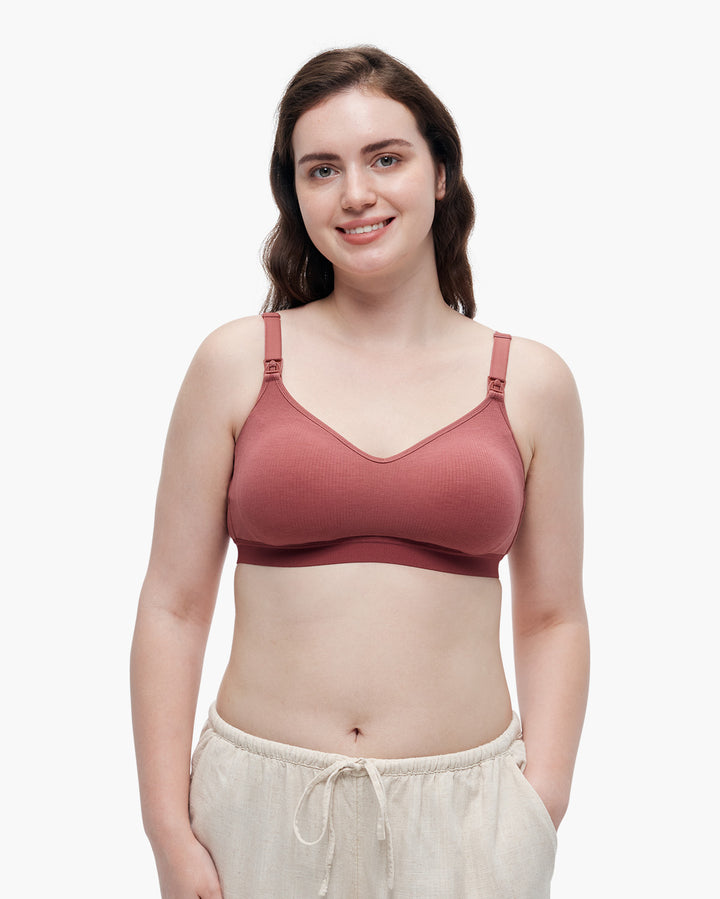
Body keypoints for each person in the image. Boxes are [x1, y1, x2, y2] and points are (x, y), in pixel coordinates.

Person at [130, 45, 589, 899]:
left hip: (467, 818)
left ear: (441, 173)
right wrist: (167, 826)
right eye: (322, 169)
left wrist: (538, 803)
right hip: (255, 813)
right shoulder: (235, 363)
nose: (355, 194)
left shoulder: (532, 381)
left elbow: (553, 613)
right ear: (294, 193)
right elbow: (173, 604)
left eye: (386, 158)